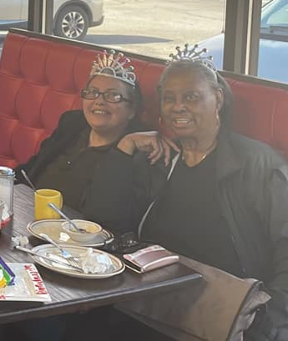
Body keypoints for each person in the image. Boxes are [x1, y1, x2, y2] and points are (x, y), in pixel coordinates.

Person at [84, 45, 288, 340]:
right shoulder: (157, 159)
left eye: (191, 97)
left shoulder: (258, 165)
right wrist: (123, 150)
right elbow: (101, 221)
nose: (177, 107)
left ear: (217, 99)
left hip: (221, 315)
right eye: (170, 99)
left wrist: (269, 322)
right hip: (147, 303)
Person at [15, 50, 144, 209]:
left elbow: (110, 214)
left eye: (113, 95)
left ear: (132, 110)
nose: (99, 101)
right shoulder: (72, 124)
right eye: (93, 92)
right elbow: (30, 169)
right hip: (26, 214)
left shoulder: (134, 154)